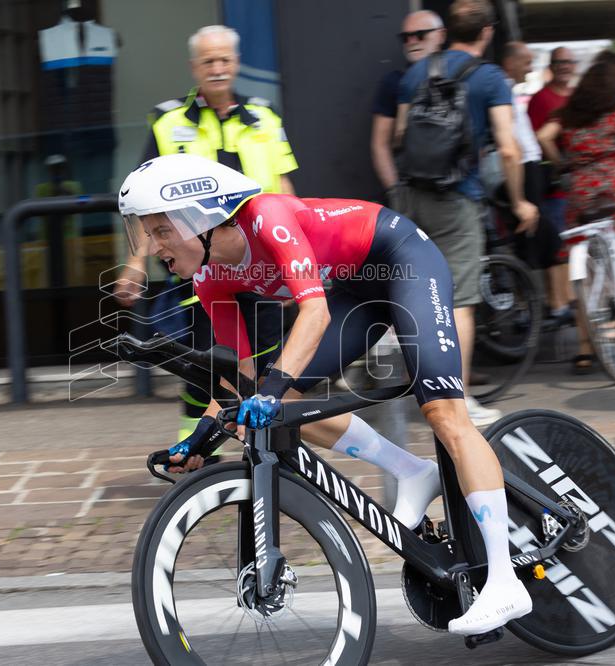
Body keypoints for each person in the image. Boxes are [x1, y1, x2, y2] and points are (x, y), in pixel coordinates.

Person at [119, 152, 534, 635]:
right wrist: (201, 436)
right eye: (146, 233)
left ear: (202, 216)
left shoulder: (268, 218)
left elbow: (313, 315)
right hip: (355, 290)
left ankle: (505, 581)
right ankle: (413, 472)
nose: (152, 248)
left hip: (402, 262)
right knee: (276, 408)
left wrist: (270, 390)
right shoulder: (210, 278)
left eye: (161, 231)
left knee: (443, 414)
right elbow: (240, 380)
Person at [114, 25, 299, 440]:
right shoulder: (168, 122)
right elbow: (148, 208)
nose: (217, 69)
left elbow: (285, 190)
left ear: (235, 64)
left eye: (225, 60)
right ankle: (197, 450)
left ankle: (276, 453)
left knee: (270, 361)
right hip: (200, 265)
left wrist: (297, 261)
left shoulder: (265, 118)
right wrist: (135, 262)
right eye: (208, 61)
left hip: (263, 258)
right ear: (194, 67)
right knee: (209, 359)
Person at [395, 0, 539, 427]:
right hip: (456, 197)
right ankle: (456, 401)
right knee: (459, 299)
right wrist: (519, 201)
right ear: (487, 32)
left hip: (410, 194)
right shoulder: (490, 78)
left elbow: (401, 135)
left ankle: (413, 386)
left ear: (446, 31)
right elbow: (509, 147)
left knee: (413, 292)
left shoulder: (416, 72)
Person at [537, 57, 615, 374]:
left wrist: (562, 163)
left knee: (589, 274)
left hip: (580, 193)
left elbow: (542, 136)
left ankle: (583, 350)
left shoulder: (569, 114)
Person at [370, 10, 446, 211]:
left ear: (441, 35)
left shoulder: (459, 77)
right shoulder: (394, 82)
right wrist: (396, 193)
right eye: (405, 37)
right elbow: (380, 144)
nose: (412, 41)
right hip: (411, 192)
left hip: (454, 196)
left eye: (420, 34)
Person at [498, 41, 562, 273]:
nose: (530, 68)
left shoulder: (507, 91)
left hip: (528, 166)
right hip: (522, 167)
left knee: (535, 234)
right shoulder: (501, 91)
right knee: (535, 236)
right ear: (509, 63)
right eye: (526, 63)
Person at [528, 47, 576, 328]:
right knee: (557, 245)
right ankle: (559, 303)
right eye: (560, 63)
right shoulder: (540, 99)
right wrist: (560, 164)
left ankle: (568, 301)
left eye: (569, 62)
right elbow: (536, 142)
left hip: (572, 187)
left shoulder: (573, 97)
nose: (565, 67)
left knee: (569, 245)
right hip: (552, 186)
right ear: (551, 66)